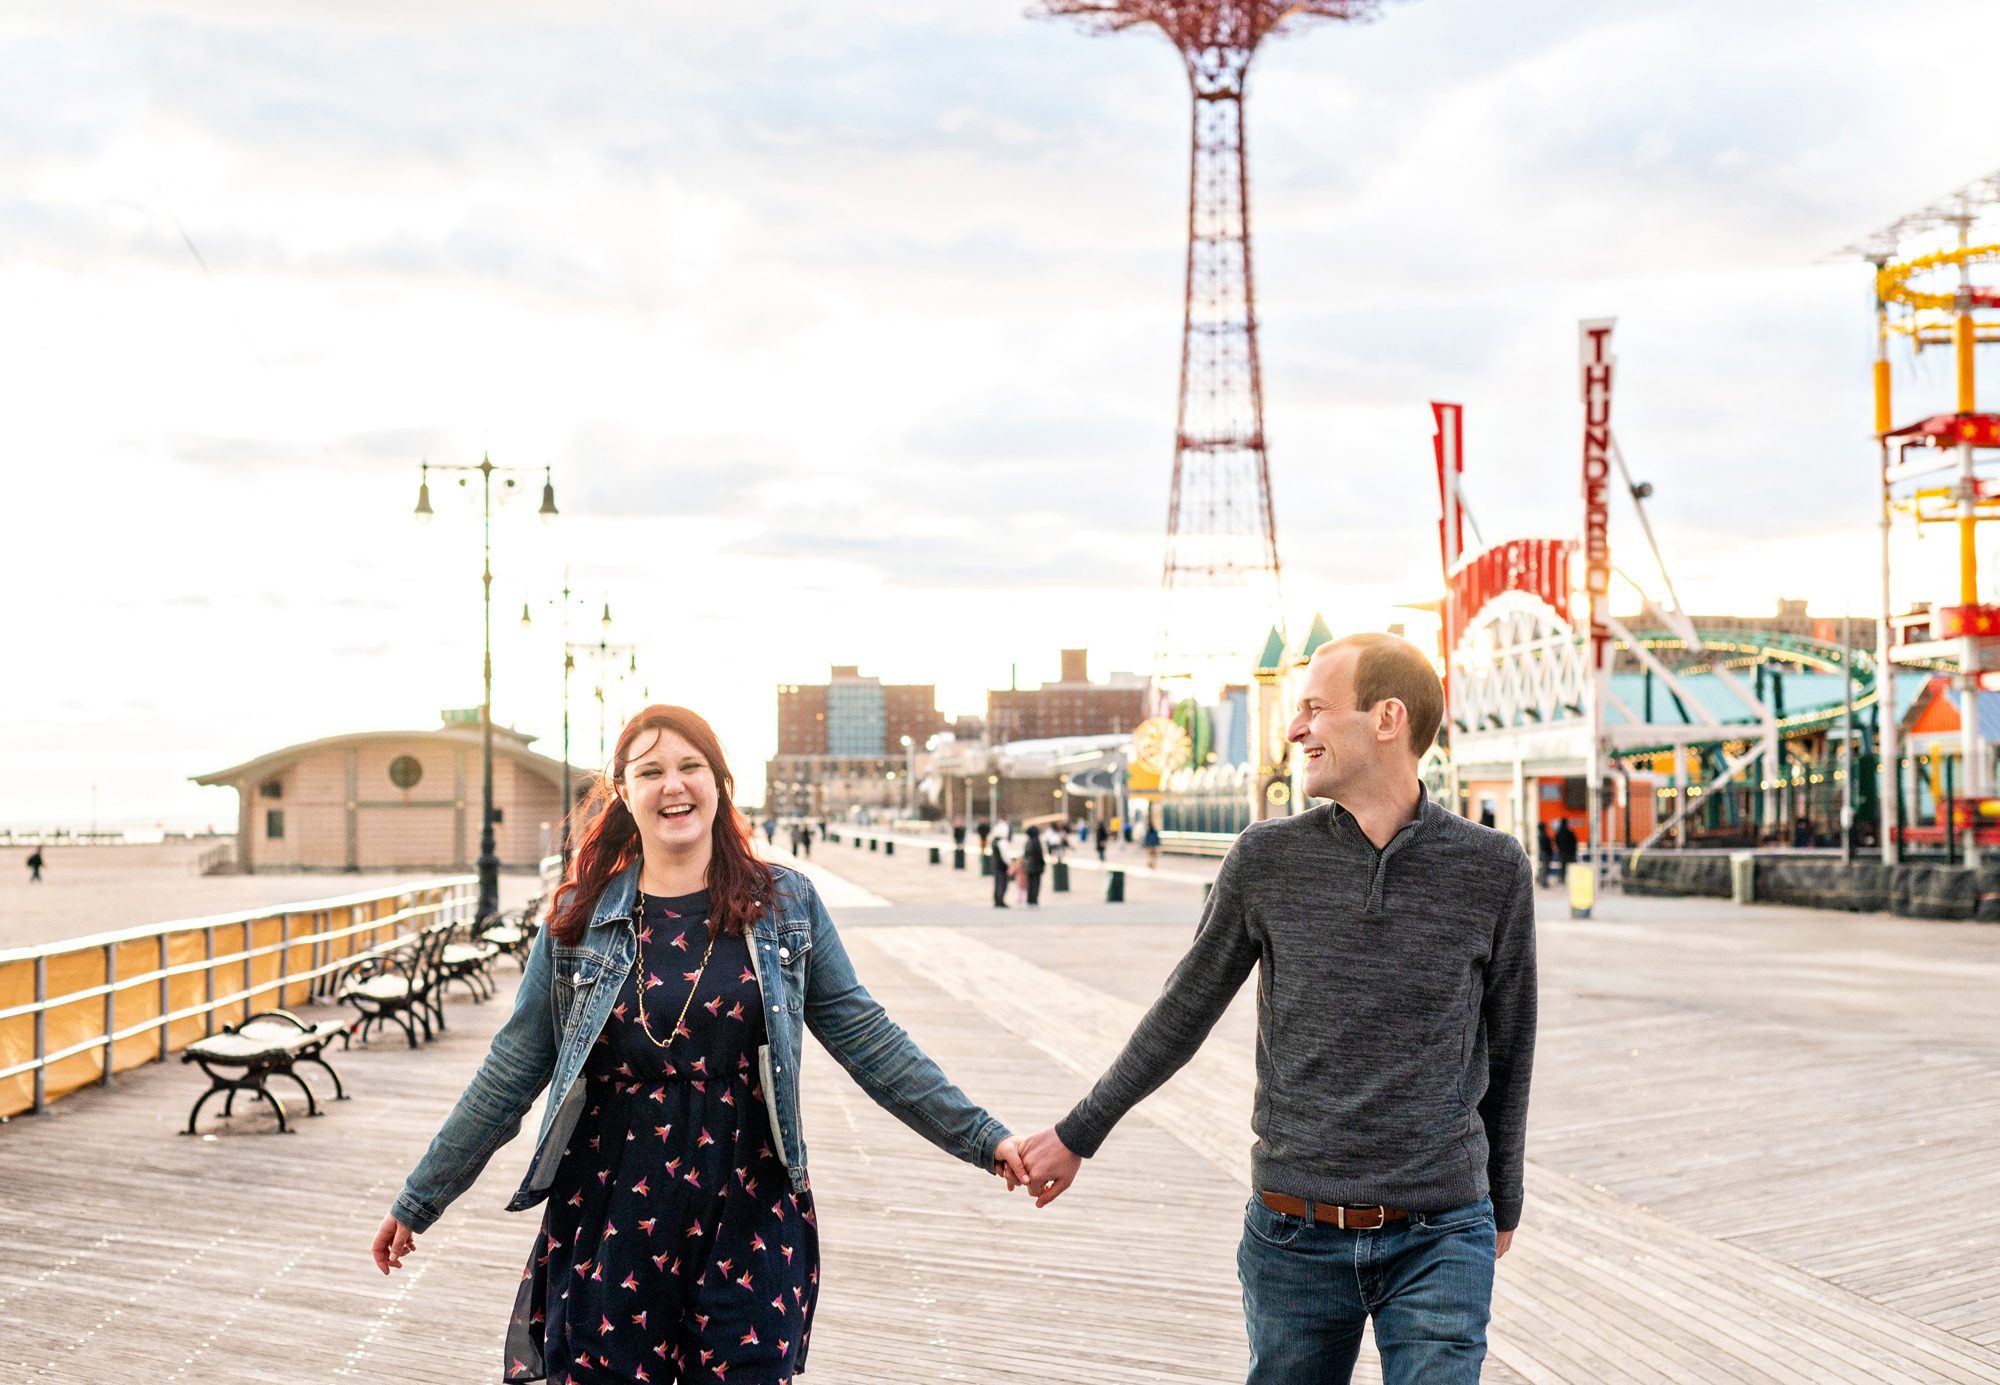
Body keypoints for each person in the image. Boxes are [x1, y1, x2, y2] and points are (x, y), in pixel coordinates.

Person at [372, 705, 1028, 1383]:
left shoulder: (786, 904)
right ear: (624, 791)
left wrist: (981, 1136)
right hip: (612, 1211)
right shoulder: (579, 920)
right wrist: (421, 1197)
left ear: (721, 782)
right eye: (651, 771)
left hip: (748, 1207)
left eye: (691, 766)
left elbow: (868, 1037)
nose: (673, 785)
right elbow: (511, 1069)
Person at [1017, 633, 1537, 1385]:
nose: (1294, 730)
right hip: (1294, 1232)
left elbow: (1511, 1043)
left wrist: (1505, 1199)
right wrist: (1078, 1132)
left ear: (1387, 718)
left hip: (1441, 1231)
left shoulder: (1492, 868)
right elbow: (1182, 1012)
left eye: (1316, 709)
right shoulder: (1265, 858)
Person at [1021, 826, 1046, 908]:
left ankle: (1030, 899)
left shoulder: (1028, 841)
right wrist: (1043, 864)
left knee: (1030, 883)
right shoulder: (1036, 841)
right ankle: (1033, 899)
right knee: (1035, 884)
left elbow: (1025, 854)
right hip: (1036, 866)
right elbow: (1039, 855)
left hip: (1029, 866)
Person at [988, 831, 1009, 909]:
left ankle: (997, 900)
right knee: (1002, 883)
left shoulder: (994, 841)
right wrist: (1009, 864)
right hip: (1001, 866)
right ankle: (1000, 901)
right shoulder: (1002, 842)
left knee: (997, 883)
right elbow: (1005, 856)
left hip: (996, 865)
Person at [1535, 822, 1555, 888]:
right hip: (1545, 853)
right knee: (1545, 868)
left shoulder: (1540, 835)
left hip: (1544, 853)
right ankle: (1543, 882)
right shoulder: (1543, 835)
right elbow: (1547, 845)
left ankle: (1542, 881)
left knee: (1544, 868)